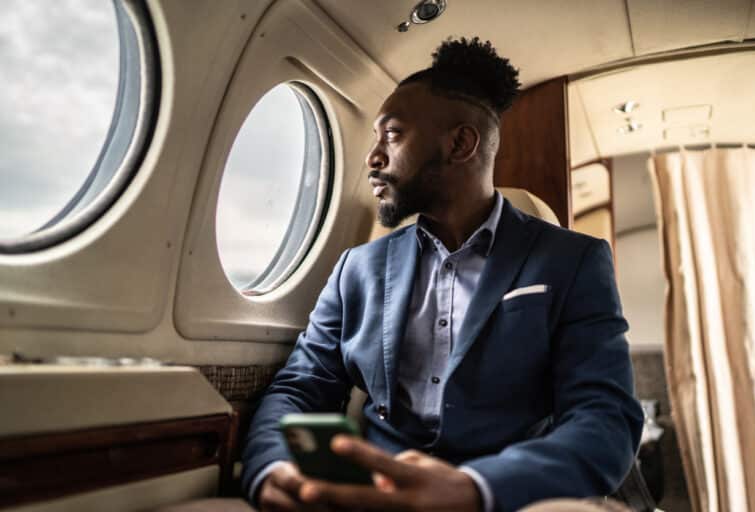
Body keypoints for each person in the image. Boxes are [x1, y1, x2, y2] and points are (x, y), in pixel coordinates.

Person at [242, 37, 644, 512]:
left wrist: (476, 489)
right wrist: (272, 468)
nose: (373, 157)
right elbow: (300, 387)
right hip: (373, 494)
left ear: (459, 143)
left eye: (391, 135)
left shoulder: (571, 261)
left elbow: (605, 418)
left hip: (506, 498)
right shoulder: (358, 268)